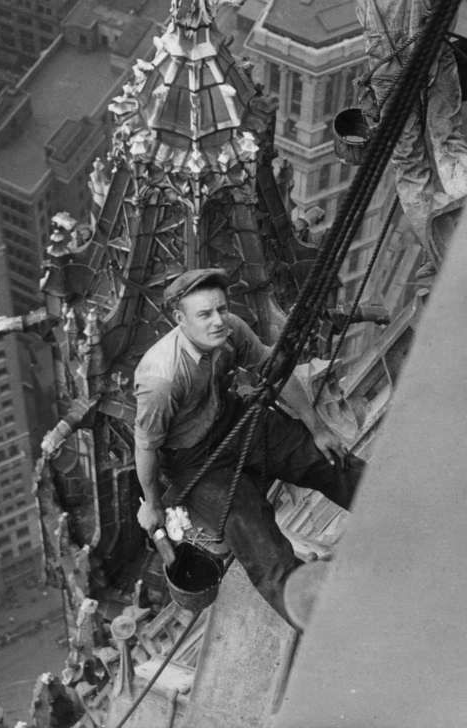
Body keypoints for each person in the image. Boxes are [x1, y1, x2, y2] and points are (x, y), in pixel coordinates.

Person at [134, 267, 364, 625]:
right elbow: (146, 447)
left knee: (328, 462)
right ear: (180, 320)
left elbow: (273, 370)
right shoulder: (161, 379)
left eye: (221, 309)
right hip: (195, 460)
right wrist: (152, 506)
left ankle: (402, 513)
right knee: (263, 550)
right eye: (204, 314)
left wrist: (317, 428)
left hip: (235, 420)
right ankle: (326, 628)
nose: (217, 321)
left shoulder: (231, 330)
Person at [252, 0, 467, 259]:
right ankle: (438, 252)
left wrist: (426, 40)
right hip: (387, 76)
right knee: (408, 163)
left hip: (434, 64)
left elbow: (451, 4)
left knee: (446, 140)